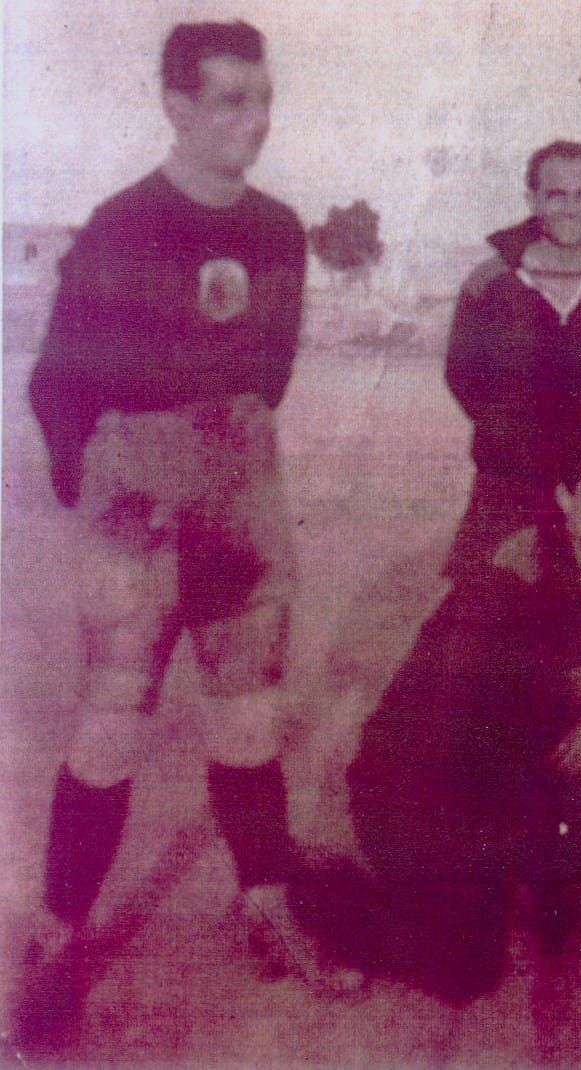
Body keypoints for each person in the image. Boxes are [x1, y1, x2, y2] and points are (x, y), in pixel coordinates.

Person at [15, 20, 323, 1052]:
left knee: (249, 720)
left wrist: (224, 455)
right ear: (177, 106)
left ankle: (265, 908)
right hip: (136, 504)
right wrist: (109, 488)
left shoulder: (279, 229)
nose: (254, 119)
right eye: (231, 99)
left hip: (241, 488)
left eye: (263, 97)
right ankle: (58, 941)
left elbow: (271, 367)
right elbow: (56, 380)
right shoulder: (123, 223)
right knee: (111, 724)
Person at [345, 427, 581, 1003]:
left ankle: (550, 872)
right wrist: (574, 690)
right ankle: (322, 909)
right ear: (566, 497)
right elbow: (461, 726)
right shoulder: (511, 572)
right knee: (466, 974)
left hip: (510, 763)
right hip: (422, 788)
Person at [442, 139, 581, 577]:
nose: (571, 209)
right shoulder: (490, 283)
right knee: (485, 604)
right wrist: (514, 439)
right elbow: (464, 378)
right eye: (557, 195)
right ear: (533, 200)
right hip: (506, 490)